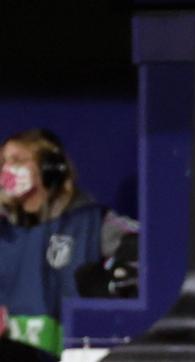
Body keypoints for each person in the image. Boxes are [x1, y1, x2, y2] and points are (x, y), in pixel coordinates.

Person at [0, 128, 139, 358]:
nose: (6, 169)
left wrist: (115, 282)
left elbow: (145, 250)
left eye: (17, 160)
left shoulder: (92, 223)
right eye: (3, 161)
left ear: (50, 170)